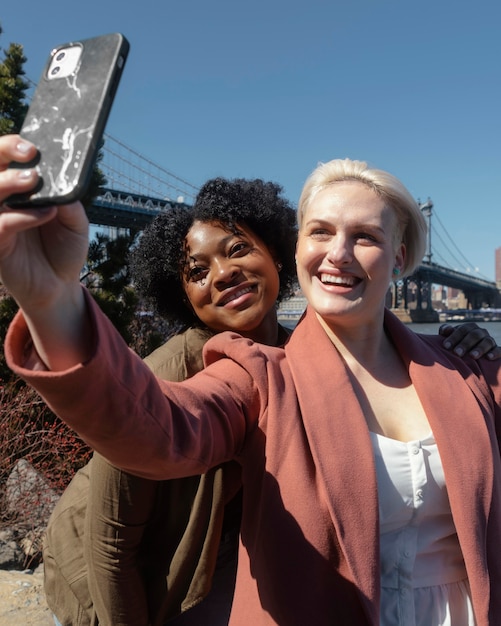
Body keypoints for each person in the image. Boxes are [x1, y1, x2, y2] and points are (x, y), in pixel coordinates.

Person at [1, 134, 501, 625]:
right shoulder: (252, 373)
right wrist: (53, 302)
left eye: (365, 236)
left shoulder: (468, 368)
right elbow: (158, 431)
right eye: (321, 232)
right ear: (299, 245)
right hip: (129, 580)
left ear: (399, 254)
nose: (339, 253)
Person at [43, 176, 298, 626]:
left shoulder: (296, 352)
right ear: (184, 298)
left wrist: (461, 347)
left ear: (276, 252)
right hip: (102, 572)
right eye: (197, 272)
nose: (222, 274)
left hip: (207, 549)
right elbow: (110, 542)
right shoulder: (168, 374)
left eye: (237, 249)